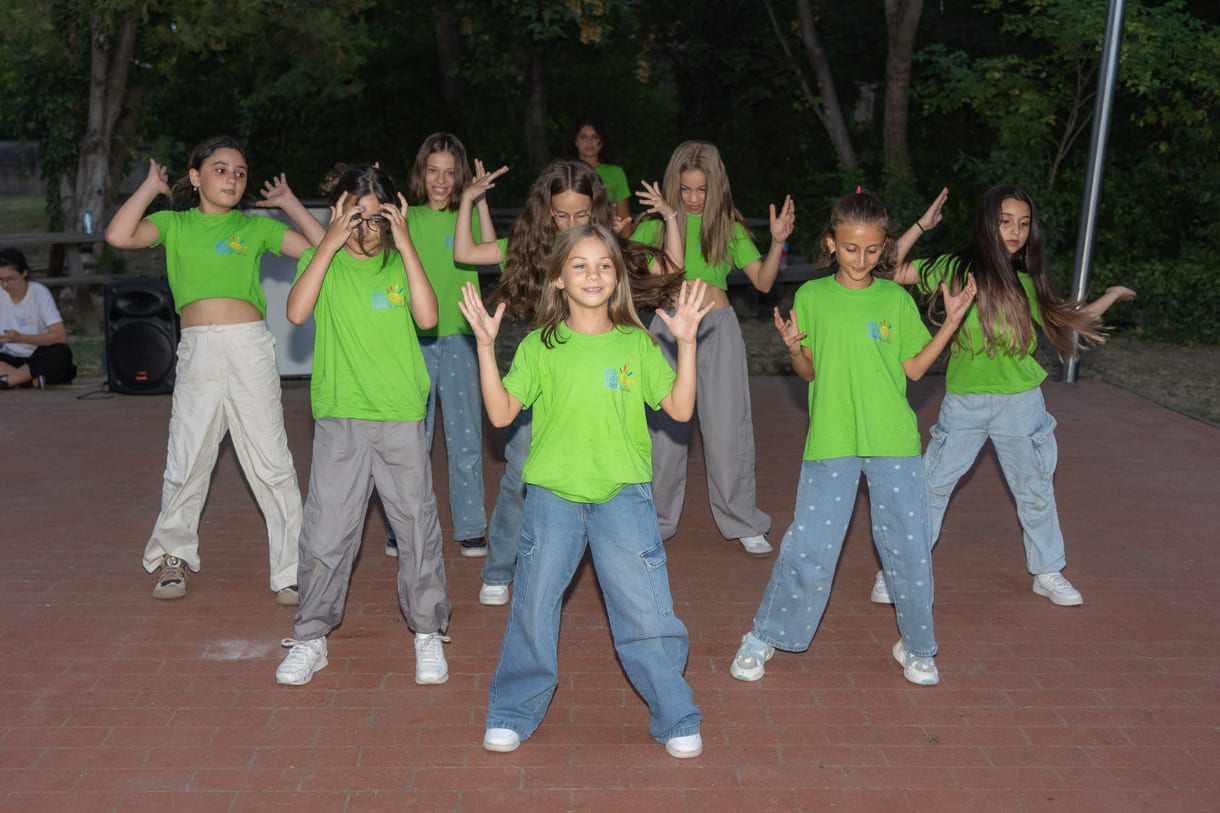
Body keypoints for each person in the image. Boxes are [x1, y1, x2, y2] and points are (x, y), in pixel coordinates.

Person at [458, 224, 709, 757]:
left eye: (603, 265)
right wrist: (484, 348)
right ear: (556, 281)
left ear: (617, 277)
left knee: (647, 612)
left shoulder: (636, 343)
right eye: (579, 265)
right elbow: (502, 412)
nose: (592, 274)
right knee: (532, 606)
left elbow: (681, 410)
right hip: (553, 498)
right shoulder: (540, 345)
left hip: (624, 497)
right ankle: (511, 710)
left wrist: (685, 345)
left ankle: (675, 713)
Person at [731, 189, 976, 687]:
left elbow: (912, 369)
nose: (861, 259)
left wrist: (949, 324)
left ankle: (918, 646)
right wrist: (794, 350)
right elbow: (808, 371)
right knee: (809, 545)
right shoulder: (812, 297)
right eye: (849, 248)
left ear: (884, 246)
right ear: (830, 243)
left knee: (909, 549)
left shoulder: (894, 298)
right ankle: (764, 636)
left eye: (871, 249)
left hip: (894, 442)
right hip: (833, 439)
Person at [869, 185, 1136, 608]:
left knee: (1034, 489)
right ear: (988, 222)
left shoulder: (1028, 280)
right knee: (932, 485)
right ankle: (900, 568)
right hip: (965, 400)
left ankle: (1047, 570)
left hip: (1021, 402)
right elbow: (884, 270)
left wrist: (1110, 296)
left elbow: (1072, 320)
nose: (1015, 231)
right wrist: (922, 225)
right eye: (1005, 220)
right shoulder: (952, 267)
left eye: (1024, 223)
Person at [454, 158, 682, 606]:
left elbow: (670, 266)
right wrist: (468, 199)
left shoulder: (605, 248)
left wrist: (671, 217)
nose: (571, 223)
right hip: (543, 372)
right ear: (547, 212)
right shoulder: (530, 246)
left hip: (596, 379)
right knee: (521, 473)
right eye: (562, 215)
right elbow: (465, 253)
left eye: (582, 215)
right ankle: (500, 568)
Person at [105, 135, 322, 602]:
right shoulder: (175, 224)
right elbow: (119, 235)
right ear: (196, 177)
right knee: (187, 457)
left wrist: (288, 203)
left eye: (240, 172)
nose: (232, 178)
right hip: (198, 351)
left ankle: (291, 569)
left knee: (271, 461)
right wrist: (148, 189)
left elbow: (324, 248)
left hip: (249, 350)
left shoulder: (256, 228)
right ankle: (172, 557)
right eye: (220, 169)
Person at [275, 164, 451, 687]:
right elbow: (296, 312)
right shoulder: (319, 260)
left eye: (377, 220)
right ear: (337, 215)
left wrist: (408, 245)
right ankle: (310, 637)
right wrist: (327, 243)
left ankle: (427, 631)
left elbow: (427, 318)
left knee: (417, 527)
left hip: (399, 417)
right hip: (340, 419)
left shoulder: (401, 267)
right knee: (326, 531)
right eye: (356, 218)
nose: (365, 231)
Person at [631, 140, 796, 557]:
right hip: (668, 329)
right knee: (662, 429)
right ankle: (655, 521)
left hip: (718, 328)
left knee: (728, 426)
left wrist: (778, 243)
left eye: (701, 190)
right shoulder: (652, 226)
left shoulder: (727, 227)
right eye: (685, 189)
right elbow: (660, 277)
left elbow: (762, 282)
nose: (692, 198)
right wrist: (668, 220)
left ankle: (742, 519)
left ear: (715, 187)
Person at [383, 133, 496, 561]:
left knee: (465, 440)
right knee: (411, 440)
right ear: (421, 172)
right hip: (414, 340)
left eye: (450, 172)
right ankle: (401, 527)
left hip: (463, 339)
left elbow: (493, 254)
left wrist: (480, 198)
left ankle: (470, 529)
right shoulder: (407, 216)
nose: (441, 180)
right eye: (433, 170)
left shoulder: (465, 214)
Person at [0, 248, 76, 389]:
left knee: (61, 353)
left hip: (39, 355)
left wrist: (20, 338)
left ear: (24, 273)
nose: (5, 285)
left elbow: (60, 336)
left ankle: (8, 380)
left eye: (10, 279)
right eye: (1, 280)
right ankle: (28, 380)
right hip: (10, 357)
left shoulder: (40, 293)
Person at [565, 115, 631, 234]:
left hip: (606, 239)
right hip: (569, 239)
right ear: (575, 141)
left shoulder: (616, 173)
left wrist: (629, 248)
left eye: (594, 137)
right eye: (583, 137)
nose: (589, 142)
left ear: (602, 141)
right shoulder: (566, 170)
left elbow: (624, 218)